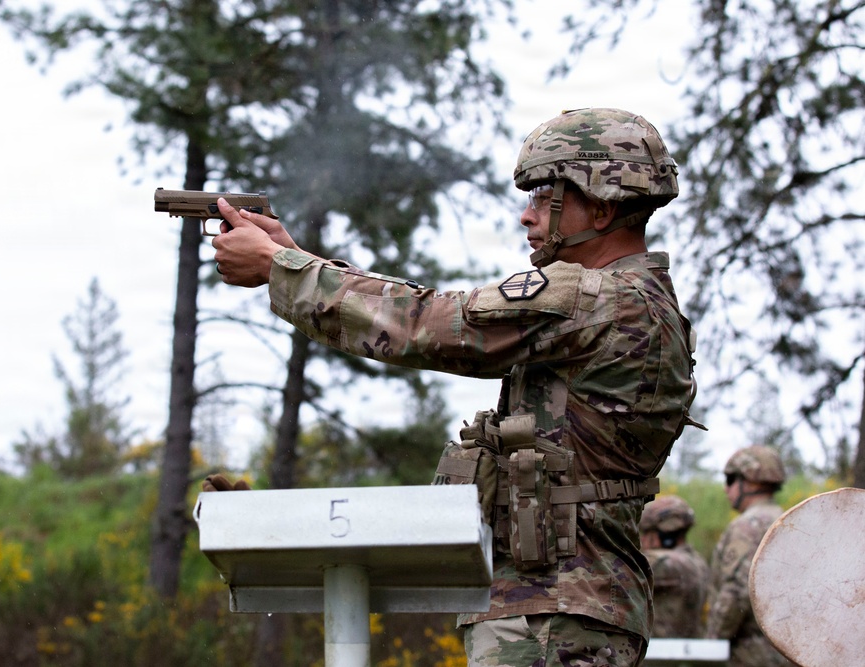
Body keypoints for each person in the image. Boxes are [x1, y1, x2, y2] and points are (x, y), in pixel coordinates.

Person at [211, 107, 701, 666]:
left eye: (546, 196)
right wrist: (297, 260)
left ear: (604, 206)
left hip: (551, 613)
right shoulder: (631, 299)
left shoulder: (593, 298)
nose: (527, 215)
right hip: (568, 604)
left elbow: (426, 326)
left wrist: (282, 267)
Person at [704, 445, 793, 666]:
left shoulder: (748, 527)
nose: (726, 489)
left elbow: (736, 592)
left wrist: (711, 646)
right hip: (786, 650)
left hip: (750, 654)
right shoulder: (789, 520)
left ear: (751, 480)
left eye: (730, 479)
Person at [639, 495, 710, 638]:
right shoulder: (699, 562)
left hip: (659, 653)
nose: (643, 539)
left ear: (663, 535)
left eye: (646, 533)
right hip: (686, 650)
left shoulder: (662, 562)